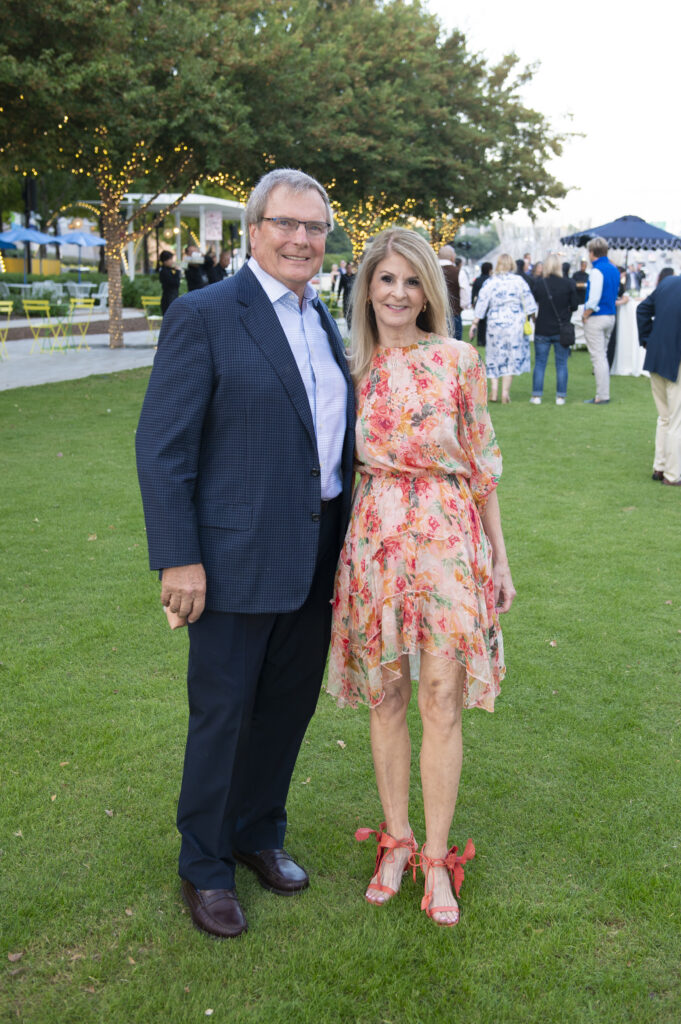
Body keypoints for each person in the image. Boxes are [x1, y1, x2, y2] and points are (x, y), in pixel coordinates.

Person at [136, 168, 355, 939]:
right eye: (286, 224)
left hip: (318, 549)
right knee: (224, 713)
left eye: (315, 228)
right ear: (254, 230)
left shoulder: (321, 316)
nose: (301, 239)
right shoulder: (205, 314)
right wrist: (179, 557)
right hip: (232, 557)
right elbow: (162, 448)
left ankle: (257, 831)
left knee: (286, 709)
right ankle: (203, 864)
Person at [328, 227, 515, 928]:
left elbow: (480, 463)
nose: (398, 293)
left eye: (411, 282)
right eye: (385, 280)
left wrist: (498, 557)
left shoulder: (457, 360)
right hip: (375, 539)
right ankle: (395, 840)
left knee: (441, 696)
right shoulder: (348, 368)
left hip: (446, 538)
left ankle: (437, 855)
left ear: (428, 293)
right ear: (366, 288)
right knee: (386, 696)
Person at [470, 252, 537, 403]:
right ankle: (505, 393)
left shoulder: (491, 282)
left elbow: (482, 303)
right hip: (515, 323)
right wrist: (534, 319)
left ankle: (494, 391)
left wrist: (474, 323)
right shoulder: (519, 281)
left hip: (495, 322)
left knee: (494, 354)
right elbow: (530, 303)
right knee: (511, 355)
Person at [636, 272, 681, 485]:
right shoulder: (669, 283)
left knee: (665, 417)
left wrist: (647, 339)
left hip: (657, 356)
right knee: (675, 419)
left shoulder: (668, 283)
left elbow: (642, 309)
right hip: (674, 360)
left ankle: (660, 467)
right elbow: (642, 309)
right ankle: (672, 474)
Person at [528, 253, 578, 405]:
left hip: (542, 327)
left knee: (540, 363)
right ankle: (560, 396)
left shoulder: (540, 283)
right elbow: (575, 305)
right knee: (561, 363)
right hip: (561, 328)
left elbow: (533, 302)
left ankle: (537, 395)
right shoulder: (569, 283)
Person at [582, 237, 620, 404]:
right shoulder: (614, 269)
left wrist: (586, 314)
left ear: (592, 252)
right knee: (602, 355)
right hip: (611, 315)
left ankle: (602, 395)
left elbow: (594, 298)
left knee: (598, 357)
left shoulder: (597, 271)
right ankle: (603, 393)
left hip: (597, 316)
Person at [438, 244, 463, 340]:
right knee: (455, 348)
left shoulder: (430, 271)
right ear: (453, 258)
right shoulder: (459, 272)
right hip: (454, 313)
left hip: (432, 314)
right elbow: (465, 295)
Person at [471, 262, 492, 346]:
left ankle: (480, 340)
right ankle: (487, 340)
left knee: (480, 323)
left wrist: (472, 302)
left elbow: (473, 292)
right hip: (488, 304)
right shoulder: (490, 280)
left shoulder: (478, 279)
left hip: (479, 303)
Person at [158, 249, 181, 315]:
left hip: (171, 297)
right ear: (165, 261)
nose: (172, 261)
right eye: (170, 259)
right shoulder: (164, 271)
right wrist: (177, 271)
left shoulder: (166, 270)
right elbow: (175, 283)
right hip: (169, 299)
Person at [337, 259, 357, 325]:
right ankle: (348, 324)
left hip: (353, 297)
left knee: (352, 311)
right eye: (348, 268)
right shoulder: (343, 277)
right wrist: (338, 297)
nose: (349, 269)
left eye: (350, 268)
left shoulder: (354, 276)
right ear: (346, 269)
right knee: (345, 311)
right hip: (345, 296)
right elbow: (340, 287)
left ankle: (352, 324)